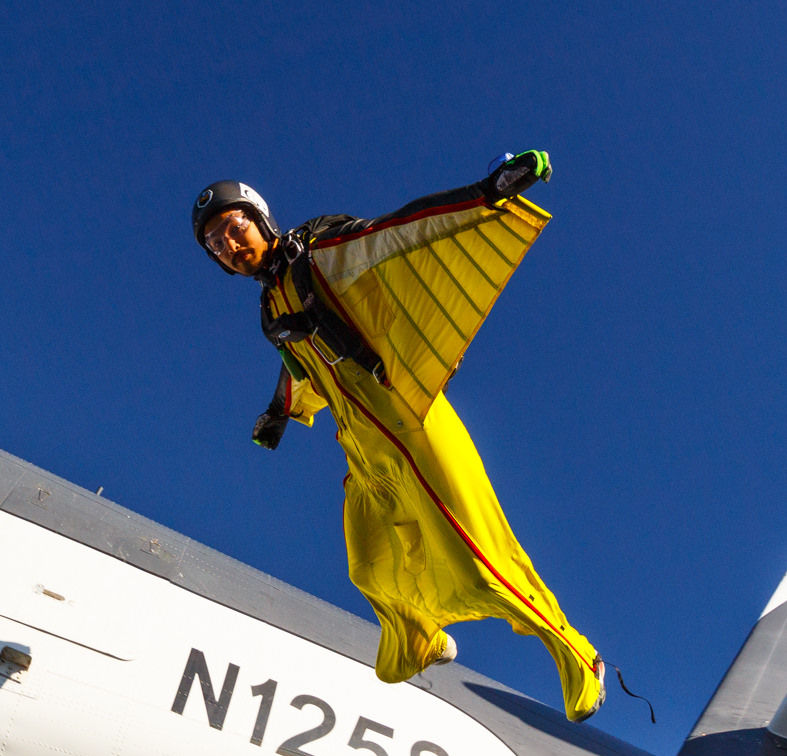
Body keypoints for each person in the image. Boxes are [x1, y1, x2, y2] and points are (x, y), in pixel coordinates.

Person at [192, 153, 607, 722]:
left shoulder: (319, 250)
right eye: (216, 244)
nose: (229, 245)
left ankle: (577, 655)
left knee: (479, 558)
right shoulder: (269, 311)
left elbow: (395, 234)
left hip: (411, 422)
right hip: (364, 446)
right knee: (368, 565)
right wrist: (277, 415)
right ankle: (420, 637)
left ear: (260, 220)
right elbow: (300, 370)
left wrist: (485, 193)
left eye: (234, 228)